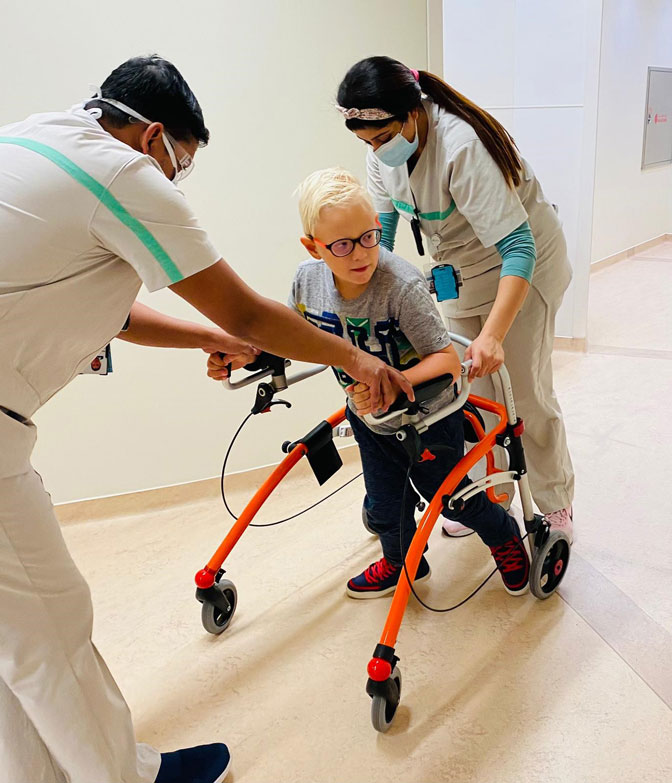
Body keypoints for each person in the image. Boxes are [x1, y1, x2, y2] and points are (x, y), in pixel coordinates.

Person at [0, 56, 411, 783]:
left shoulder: (31, 139)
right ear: (154, 136)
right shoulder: (123, 173)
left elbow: (111, 309)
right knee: (53, 629)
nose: (175, 178)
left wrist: (208, 339)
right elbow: (247, 311)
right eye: (180, 163)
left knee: (16, 646)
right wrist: (354, 358)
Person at [336, 56, 575, 541]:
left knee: (525, 393)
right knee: (470, 394)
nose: (376, 150)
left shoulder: (462, 147)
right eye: (367, 143)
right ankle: (493, 497)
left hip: (524, 268)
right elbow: (382, 243)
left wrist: (494, 335)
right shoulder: (383, 152)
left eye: (382, 138)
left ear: (413, 112)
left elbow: (519, 247)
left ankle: (554, 503)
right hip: (462, 272)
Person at [286, 167, 529, 599]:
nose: (360, 254)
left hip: (429, 417)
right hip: (370, 419)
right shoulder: (307, 281)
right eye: (342, 245)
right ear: (313, 247)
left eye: (369, 237)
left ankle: (504, 536)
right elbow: (293, 333)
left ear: (377, 226)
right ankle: (404, 563)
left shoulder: (400, 285)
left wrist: (396, 385)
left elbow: (448, 361)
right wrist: (254, 352)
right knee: (385, 505)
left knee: (452, 498)